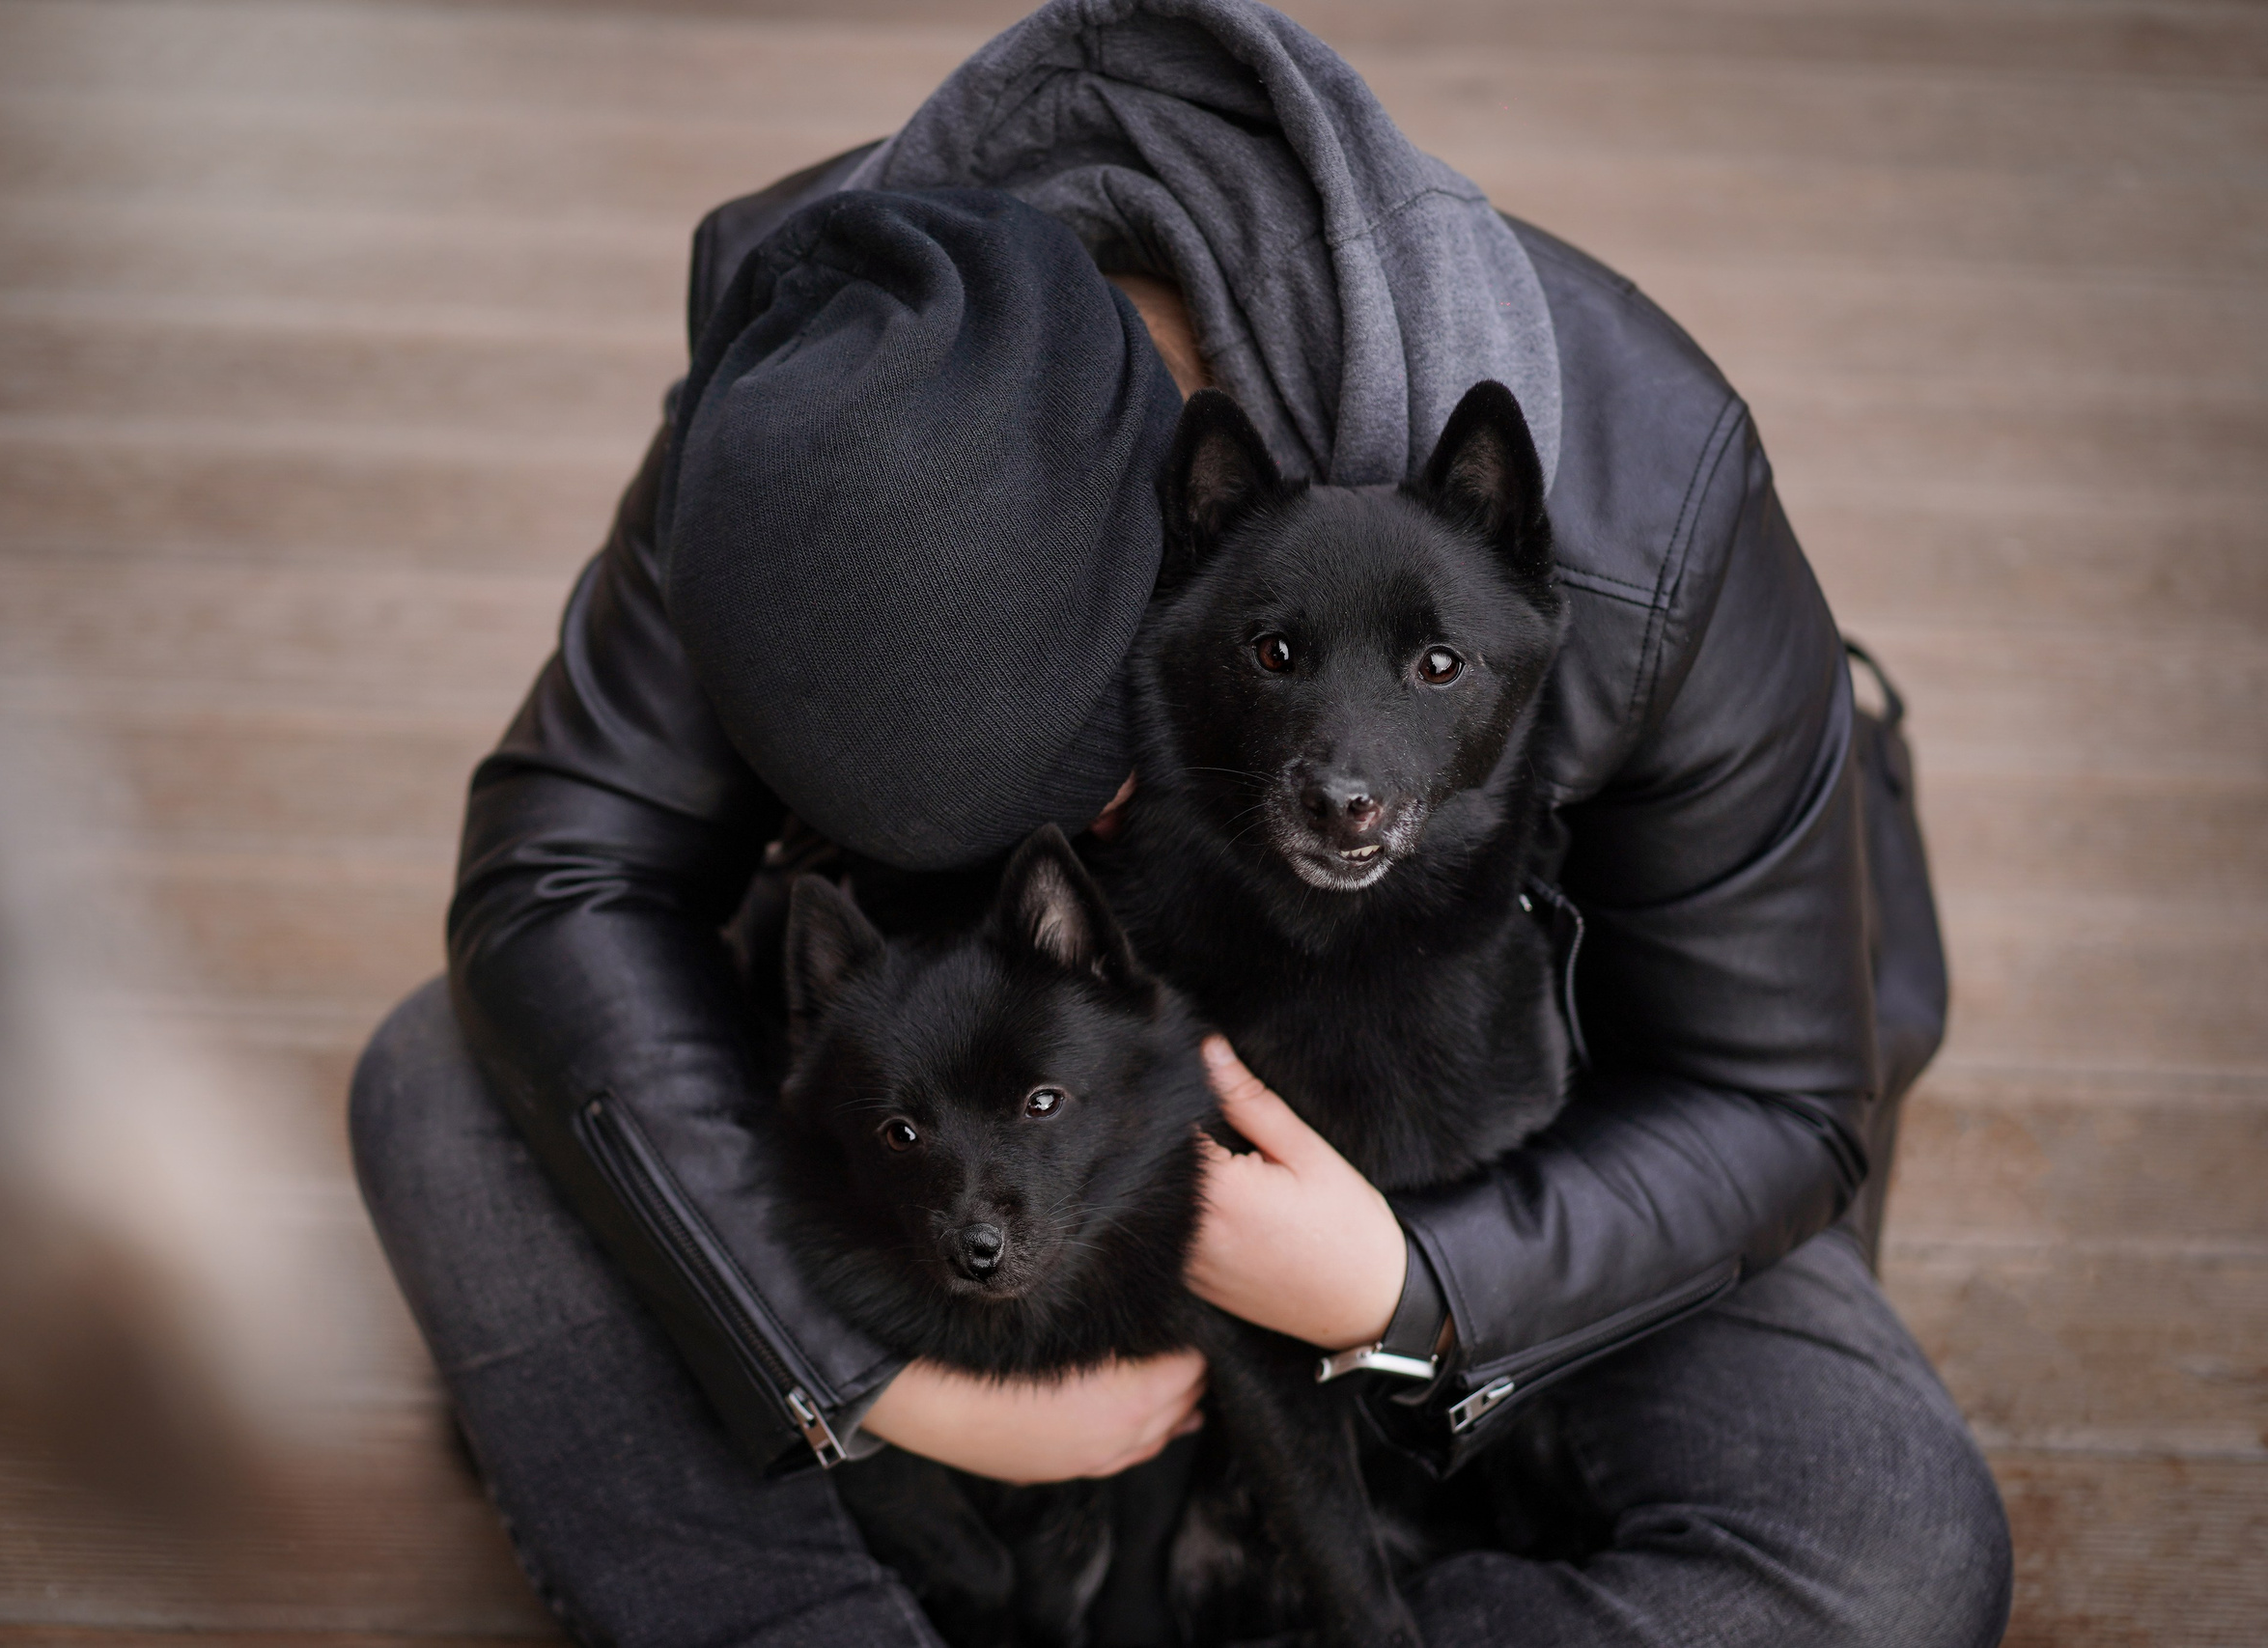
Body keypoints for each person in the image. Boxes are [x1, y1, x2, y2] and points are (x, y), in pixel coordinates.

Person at [350, 3, 2010, 1643]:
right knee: (445, 1084)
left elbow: (1779, 1096)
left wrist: (1411, 1291)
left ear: (1197, 540)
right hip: (978, 1184)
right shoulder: (808, 392)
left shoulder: (1651, 497)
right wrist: (873, 1375)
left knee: (1886, 1548)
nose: (1112, 852)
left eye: (1119, 792)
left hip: (1507, 1162)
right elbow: (564, 870)